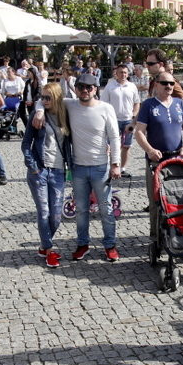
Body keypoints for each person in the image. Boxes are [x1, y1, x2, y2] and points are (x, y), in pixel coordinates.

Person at [34, 73, 121, 261]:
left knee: (106, 208)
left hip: (101, 167)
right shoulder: (70, 105)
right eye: (81, 87)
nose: (84, 90)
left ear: (96, 89)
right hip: (78, 167)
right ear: (76, 88)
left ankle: (110, 245)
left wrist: (116, 164)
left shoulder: (106, 108)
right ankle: (82, 244)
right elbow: (45, 99)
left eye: (89, 87)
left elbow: (114, 137)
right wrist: (39, 111)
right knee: (81, 210)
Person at [134, 70, 183, 243]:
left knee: (179, 196)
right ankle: (156, 237)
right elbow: (139, 132)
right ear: (156, 85)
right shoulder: (148, 105)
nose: (169, 86)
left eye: (172, 83)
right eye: (165, 83)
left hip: (178, 159)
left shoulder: (179, 103)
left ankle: (180, 233)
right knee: (156, 200)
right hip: (156, 160)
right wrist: (150, 150)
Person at [22, 82, 68, 268]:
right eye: (42, 97)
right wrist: (33, 167)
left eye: (48, 97)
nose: (44, 100)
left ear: (56, 98)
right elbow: (26, 144)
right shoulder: (37, 115)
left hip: (58, 170)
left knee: (56, 215)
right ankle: (49, 251)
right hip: (40, 171)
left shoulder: (65, 114)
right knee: (44, 212)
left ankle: (43, 245)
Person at [100, 64, 140, 178]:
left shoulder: (132, 86)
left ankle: (122, 169)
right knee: (112, 146)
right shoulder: (110, 86)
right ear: (116, 74)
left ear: (128, 74)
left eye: (125, 72)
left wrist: (134, 116)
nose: (123, 74)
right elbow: (103, 103)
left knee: (127, 146)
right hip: (114, 120)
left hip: (128, 120)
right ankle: (112, 168)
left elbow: (137, 102)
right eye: (121, 72)